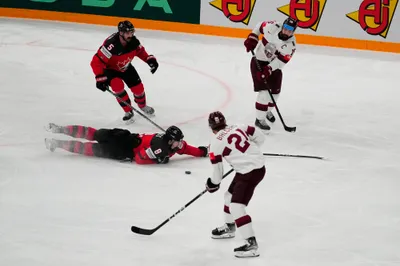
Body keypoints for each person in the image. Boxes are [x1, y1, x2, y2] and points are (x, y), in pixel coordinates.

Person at [205, 111, 266, 258]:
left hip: (249, 172)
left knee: (236, 207)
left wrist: (212, 184)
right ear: (225, 122)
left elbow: (218, 174)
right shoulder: (238, 126)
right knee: (229, 197)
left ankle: (252, 245)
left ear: (211, 128)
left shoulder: (214, 145)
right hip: (254, 168)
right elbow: (260, 137)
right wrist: (250, 153)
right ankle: (230, 227)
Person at [90, 20, 159, 122]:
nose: (130, 35)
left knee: (139, 89)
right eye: (128, 33)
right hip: (110, 70)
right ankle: (128, 111)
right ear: (121, 33)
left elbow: (140, 52)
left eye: (132, 32)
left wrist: (150, 60)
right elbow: (96, 62)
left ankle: (142, 106)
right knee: (117, 86)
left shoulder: (133, 41)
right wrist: (100, 78)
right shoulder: (111, 45)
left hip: (125, 67)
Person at [44, 123, 208, 164]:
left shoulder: (171, 144)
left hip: (125, 136)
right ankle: (57, 140)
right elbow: (139, 159)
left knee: (93, 133)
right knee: (92, 148)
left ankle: (58, 134)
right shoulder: (161, 148)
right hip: (124, 148)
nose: (180, 145)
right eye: (178, 142)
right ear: (171, 140)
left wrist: (202, 152)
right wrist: (158, 160)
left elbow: (186, 148)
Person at [244, 17, 298, 130]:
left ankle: (267, 111)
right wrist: (253, 37)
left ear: (293, 31)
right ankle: (259, 119)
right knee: (264, 93)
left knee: (275, 94)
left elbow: (281, 61)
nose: (287, 31)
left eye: (290, 30)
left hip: (274, 67)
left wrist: (269, 68)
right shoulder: (272, 27)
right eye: (286, 28)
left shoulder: (291, 45)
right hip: (258, 61)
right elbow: (259, 26)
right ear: (283, 26)